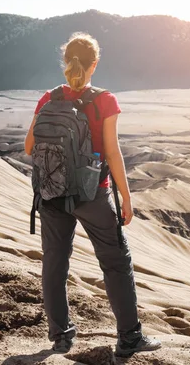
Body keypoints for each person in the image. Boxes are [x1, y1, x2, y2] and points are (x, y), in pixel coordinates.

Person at [24, 32, 161, 356]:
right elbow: (112, 154)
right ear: (94, 64)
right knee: (116, 263)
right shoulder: (104, 100)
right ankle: (129, 338)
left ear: (65, 62)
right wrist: (127, 198)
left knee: (55, 265)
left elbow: (29, 146)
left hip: (52, 195)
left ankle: (60, 336)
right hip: (93, 196)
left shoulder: (49, 98)